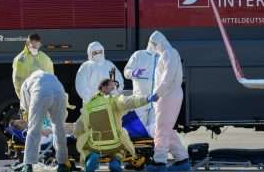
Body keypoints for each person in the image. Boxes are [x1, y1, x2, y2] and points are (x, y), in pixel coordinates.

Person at [74, 78, 158, 172]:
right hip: (114, 142)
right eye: (112, 88)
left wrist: (81, 138)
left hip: (96, 143)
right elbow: (130, 102)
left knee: (88, 145)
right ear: (104, 88)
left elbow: (79, 127)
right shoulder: (114, 100)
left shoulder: (89, 105)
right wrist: (147, 99)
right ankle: (115, 161)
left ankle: (91, 158)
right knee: (123, 145)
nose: (114, 90)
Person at [145, 31, 190, 172]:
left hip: (168, 95)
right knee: (166, 129)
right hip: (168, 95)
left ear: (159, 42)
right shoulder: (168, 53)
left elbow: (168, 76)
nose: (153, 47)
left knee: (161, 130)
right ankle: (182, 159)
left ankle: (159, 162)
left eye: (154, 44)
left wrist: (157, 93)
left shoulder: (168, 53)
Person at [19, 70, 70, 172]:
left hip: (40, 92)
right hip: (60, 93)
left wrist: (30, 116)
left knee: (33, 129)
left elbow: (26, 105)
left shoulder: (25, 84)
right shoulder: (49, 77)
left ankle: (28, 165)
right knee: (59, 129)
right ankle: (63, 164)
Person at [124, 43, 158, 137]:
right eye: (154, 43)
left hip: (156, 102)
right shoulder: (138, 55)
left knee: (154, 132)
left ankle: (152, 150)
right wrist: (133, 73)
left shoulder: (161, 58)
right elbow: (126, 72)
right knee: (137, 130)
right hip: (140, 100)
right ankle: (137, 150)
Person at [12, 33, 54, 98]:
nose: (34, 48)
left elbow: (51, 78)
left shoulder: (45, 58)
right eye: (33, 46)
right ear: (28, 44)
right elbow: (17, 81)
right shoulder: (21, 60)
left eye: (36, 46)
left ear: (40, 45)